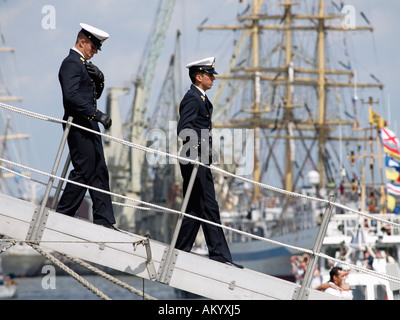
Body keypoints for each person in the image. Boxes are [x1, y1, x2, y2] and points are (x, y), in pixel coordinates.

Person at [175, 57, 243, 269]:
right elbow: (184, 129)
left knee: (195, 208)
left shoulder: (201, 98)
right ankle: (220, 255)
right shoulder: (193, 98)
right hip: (194, 160)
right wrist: (198, 152)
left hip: (199, 159)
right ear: (199, 77)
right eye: (210, 75)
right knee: (210, 206)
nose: (213, 78)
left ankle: (179, 250)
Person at [56, 23, 116, 229]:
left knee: (99, 168)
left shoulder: (82, 64)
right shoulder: (71, 63)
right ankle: (63, 214)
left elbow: (92, 95)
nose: (96, 51)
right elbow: (71, 97)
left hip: (88, 125)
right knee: (84, 170)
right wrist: (98, 115)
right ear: (83, 42)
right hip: (79, 125)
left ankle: (105, 220)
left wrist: (100, 80)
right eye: (94, 47)